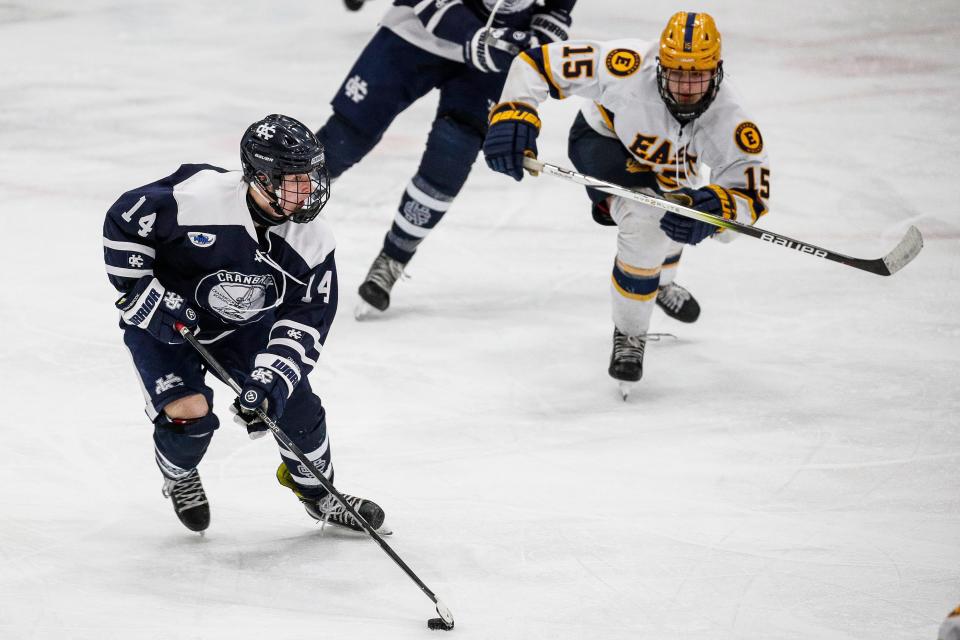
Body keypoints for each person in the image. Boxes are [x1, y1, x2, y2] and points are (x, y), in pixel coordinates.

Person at [102, 114, 386, 534]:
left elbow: (306, 319)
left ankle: (319, 494)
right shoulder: (194, 197)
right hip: (169, 326)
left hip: (245, 327)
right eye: (294, 178)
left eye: (310, 175)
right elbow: (125, 221)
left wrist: (273, 377)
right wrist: (144, 295)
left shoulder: (311, 240)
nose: (307, 188)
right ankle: (178, 474)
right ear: (261, 177)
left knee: (296, 411)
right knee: (189, 418)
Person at [482, 11, 771, 394]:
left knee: (682, 212)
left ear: (717, 71)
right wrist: (514, 112)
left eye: (697, 75)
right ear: (660, 65)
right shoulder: (627, 65)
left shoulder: (730, 118)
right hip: (604, 142)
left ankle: (661, 283)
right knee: (648, 219)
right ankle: (630, 334)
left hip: (673, 168)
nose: (686, 88)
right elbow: (536, 63)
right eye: (676, 74)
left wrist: (718, 214)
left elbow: (749, 193)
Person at [314, 0, 576, 316]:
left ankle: (394, 257)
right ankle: (274, 214)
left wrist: (536, 49)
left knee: (453, 153)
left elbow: (555, 12)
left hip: (494, 55)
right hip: (417, 34)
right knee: (346, 137)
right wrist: (471, 34)